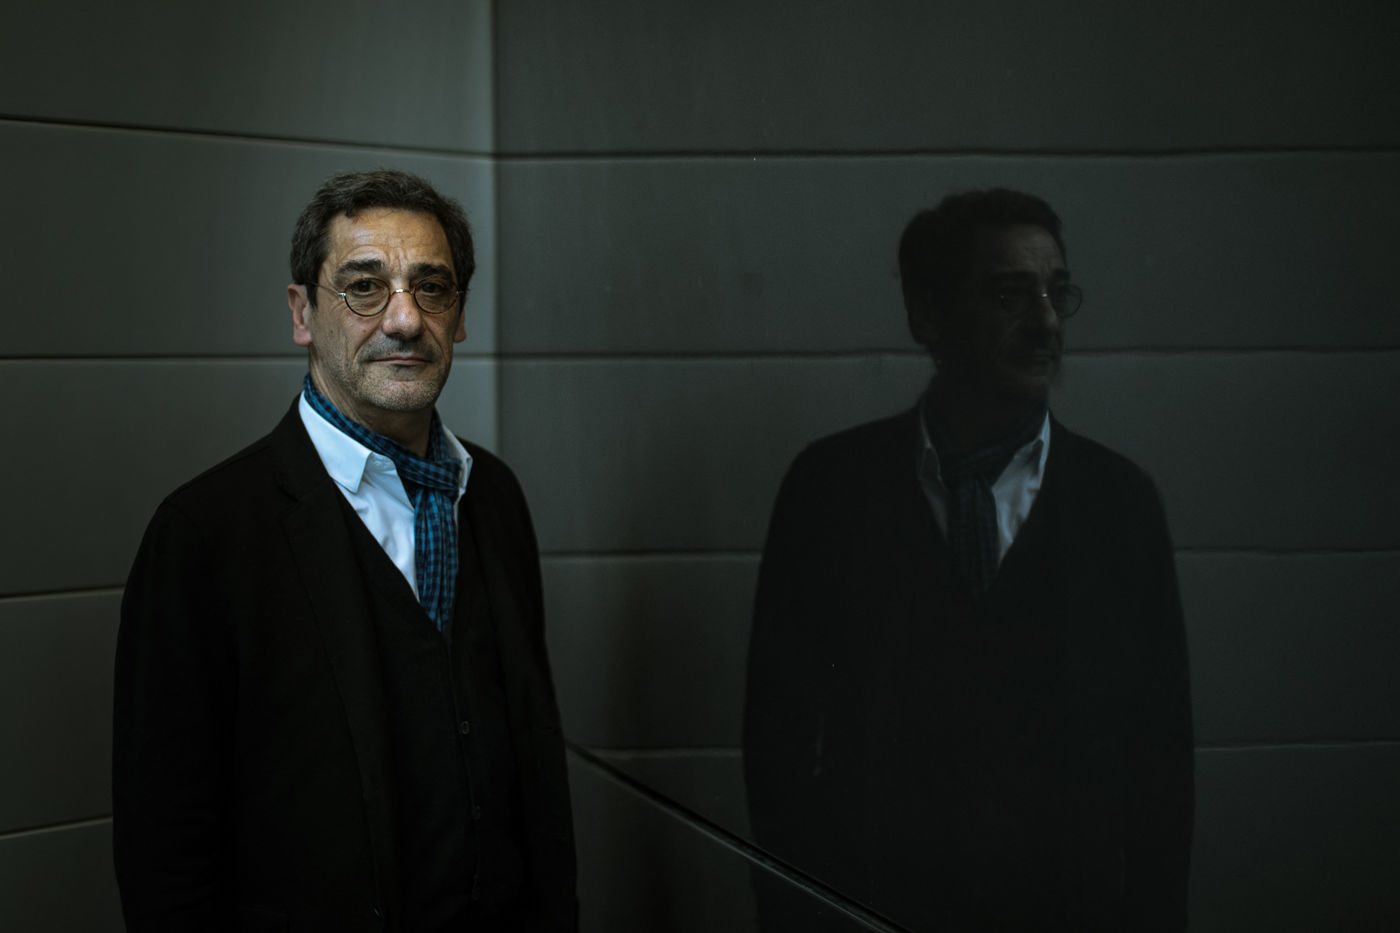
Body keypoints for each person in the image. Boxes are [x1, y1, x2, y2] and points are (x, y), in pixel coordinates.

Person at [114, 169, 577, 932]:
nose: (404, 319)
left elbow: (537, 782)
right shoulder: (203, 534)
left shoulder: (492, 495)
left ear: (460, 315)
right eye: (364, 287)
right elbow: (166, 852)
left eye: (432, 288)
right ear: (302, 313)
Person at [743, 189, 1193, 931]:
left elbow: (1162, 762)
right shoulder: (831, 489)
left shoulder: (1120, 503)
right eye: (1010, 294)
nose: (1047, 322)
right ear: (928, 316)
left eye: (1057, 292)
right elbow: (777, 746)